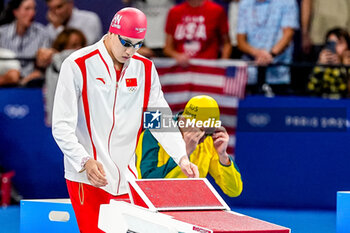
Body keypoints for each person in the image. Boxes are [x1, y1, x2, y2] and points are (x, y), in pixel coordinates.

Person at [52, 7, 199, 233]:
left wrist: (181, 156)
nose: (131, 51)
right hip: (88, 177)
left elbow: (159, 119)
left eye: (138, 44)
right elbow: (61, 126)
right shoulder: (77, 64)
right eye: (126, 42)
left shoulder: (145, 69)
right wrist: (84, 161)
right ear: (112, 32)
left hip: (127, 179)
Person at [136, 95, 243, 197]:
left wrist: (223, 157)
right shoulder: (153, 134)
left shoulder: (209, 140)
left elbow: (234, 191)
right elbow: (146, 186)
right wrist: (184, 154)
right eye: (200, 131)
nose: (203, 139)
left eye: (209, 133)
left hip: (189, 207)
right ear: (184, 121)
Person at [237, 0, 299, 89]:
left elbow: (288, 34)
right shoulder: (244, 4)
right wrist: (258, 53)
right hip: (250, 75)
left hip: (278, 74)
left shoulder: (288, 2)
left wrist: (270, 55)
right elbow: (241, 41)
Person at [163, 0, 232, 67]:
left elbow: (226, 43)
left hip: (208, 69)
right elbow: (167, 48)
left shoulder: (216, 10)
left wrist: (223, 64)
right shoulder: (174, 12)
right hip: (181, 70)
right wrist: (177, 56)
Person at [0, 0, 51, 86]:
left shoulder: (43, 34)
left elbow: (44, 67)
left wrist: (27, 79)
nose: (32, 13)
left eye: (34, 9)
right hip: (6, 84)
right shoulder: (1, 33)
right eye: (27, 9)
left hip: (32, 85)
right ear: (15, 12)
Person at [44, 28, 87, 126]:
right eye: (74, 46)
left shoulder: (90, 63)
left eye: (81, 45)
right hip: (61, 121)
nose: (79, 49)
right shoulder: (57, 61)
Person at [307, 28, 350, 98]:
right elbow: (311, 91)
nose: (335, 48)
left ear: (348, 46)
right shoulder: (322, 67)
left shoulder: (347, 65)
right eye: (331, 44)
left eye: (340, 43)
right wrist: (319, 66)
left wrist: (345, 68)